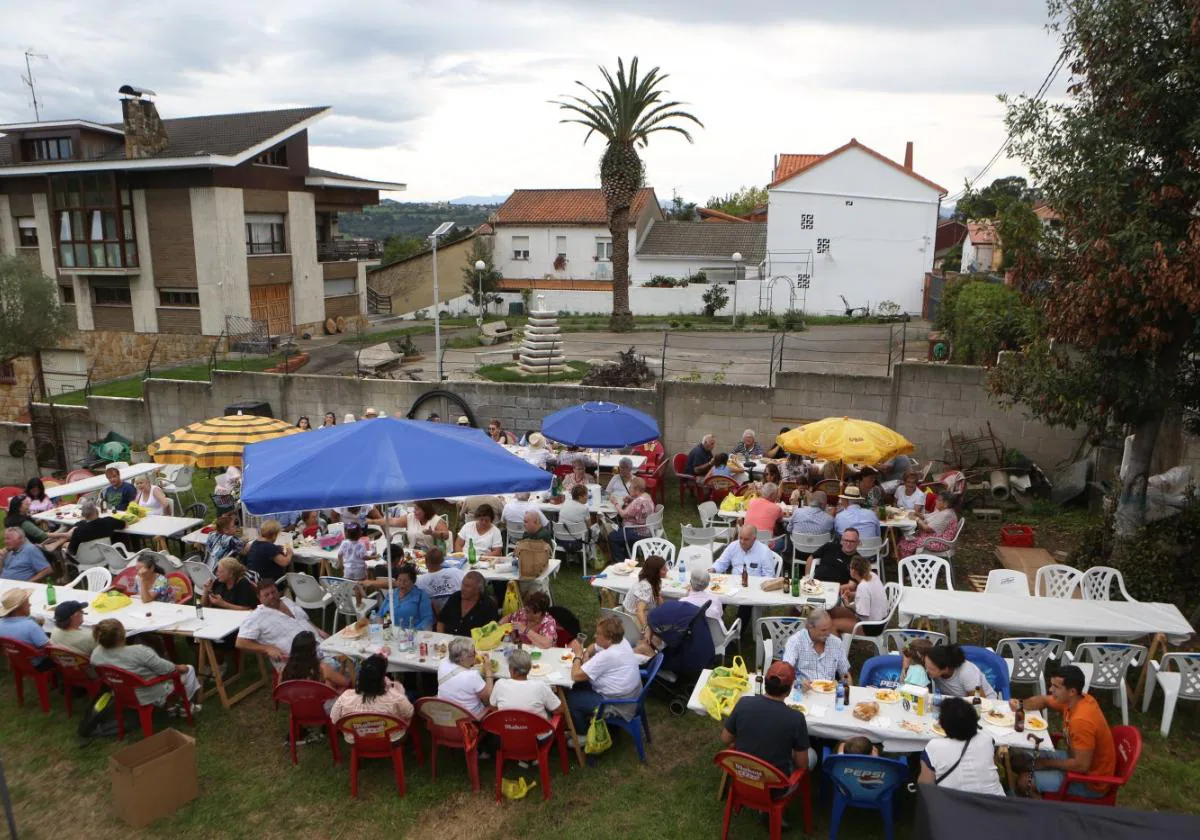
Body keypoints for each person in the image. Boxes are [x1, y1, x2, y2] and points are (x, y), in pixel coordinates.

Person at [1009, 665, 1116, 799]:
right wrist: (1020, 704)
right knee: (1018, 761)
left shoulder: (1081, 720)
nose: (1050, 690)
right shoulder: (1075, 699)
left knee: (1024, 781)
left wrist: (1045, 764)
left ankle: (1046, 811)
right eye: (1051, 685)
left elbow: (1081, 765)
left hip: (1091, 781)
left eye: (1056, 687)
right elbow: (1043, 700)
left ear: (1071, 691)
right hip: (1073, 758)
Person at [721, 660, 812, 783]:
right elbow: (802, 765)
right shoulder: (796, 718)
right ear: (789, 690)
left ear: (765, 683)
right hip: (775, 788)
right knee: (812, 755)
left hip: (742, 777)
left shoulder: (743, 703)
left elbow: (725, 738)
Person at [91, 618, 201, 712]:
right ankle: (184, 707)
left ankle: (171, 704)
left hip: (119, 692)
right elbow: (167, 669)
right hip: (146, 692)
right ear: (122, 635)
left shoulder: (96, 655)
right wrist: (180, 667)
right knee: (188, 669)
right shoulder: (139, 651)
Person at [567, 616, 642, 736]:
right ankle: (582, 722)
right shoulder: (622, 641)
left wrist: (578, 654)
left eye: (598, 634)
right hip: (630, 696)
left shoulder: (608, 655)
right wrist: (586, 654)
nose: (594, 636)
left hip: (618, 704)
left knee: (571, 700)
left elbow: (575, 675)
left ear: (610, 639)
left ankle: (583, 736)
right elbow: (593, 646)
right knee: (577, 687)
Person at [918, 697, 1005, 795]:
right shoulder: (987, 739)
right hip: (998, 805)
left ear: (943, 724)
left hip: (955, 807)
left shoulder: (933, 747)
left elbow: (925, 788)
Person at [236, 578, 326, 668]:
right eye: (266, 595)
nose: (271, 596)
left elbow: (304, 619)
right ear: (259, 598)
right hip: (299, 659)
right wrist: (267, 648)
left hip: (320, 644)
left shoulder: (286, 600)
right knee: (330, 669)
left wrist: (317, 629)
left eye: (273, 592)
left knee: (339, 653)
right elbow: (240, 643)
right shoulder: (255, 617)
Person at [331, 654, 414, 740]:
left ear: (361, 677)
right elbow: (409, 713)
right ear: (383, 678)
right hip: (391, 739)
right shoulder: (395, 696)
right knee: (409, 699)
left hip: (357, 740)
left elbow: (334, 719)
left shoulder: (346, 697)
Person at [781, 609, 852, 688]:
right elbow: (785, 670)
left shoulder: (836, 642)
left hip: (828, 692)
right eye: (823, 630)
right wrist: (798, 682)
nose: (828, 633)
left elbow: (845, 673)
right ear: (810, 627)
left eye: (830, 629)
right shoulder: (795, 641)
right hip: (803, 692)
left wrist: (847, 689)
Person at [491, 648, 562, 720]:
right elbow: (558, 710)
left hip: (507, 728)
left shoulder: (499, 684)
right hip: (537, 730)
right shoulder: (540, 686)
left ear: (512, 670)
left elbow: (493, 707)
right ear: (529, 669)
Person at [829, 555, 888, 634]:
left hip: (871, 626)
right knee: (832, 611)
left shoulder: (863, 587)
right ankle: (842, 640)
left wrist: (848, 605)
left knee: (831, 624)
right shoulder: (873, 575)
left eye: (850, 567)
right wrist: (853, 594)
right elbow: (869, 595)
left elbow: (862, 614)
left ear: (854, 571)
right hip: (880, 619)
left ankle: (838, 645)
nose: (849, 570)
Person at [438, 636, 493, 718]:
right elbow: (488, 696)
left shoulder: (443, 662)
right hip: (467, 719)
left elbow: (460, 666)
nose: (475, 655)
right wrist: (488, 670)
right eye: (473, 654)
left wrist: (473, 659)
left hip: (445, 715)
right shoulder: (472, 676)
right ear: (462, 659)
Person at [280, 629, 351, 689]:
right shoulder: (322, 669)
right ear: (313, 650)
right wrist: (344, 664)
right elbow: (347, 683)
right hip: (323, 703)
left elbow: (282, 691)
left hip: (299, 703)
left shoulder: (285, 670)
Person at [436, 570, 499, 636]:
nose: (463, 588)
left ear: (477, 590)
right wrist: (441, 638)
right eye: (463, 584)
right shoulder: (455, 597)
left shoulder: (488, 605)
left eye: (467, 586)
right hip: (448, 640)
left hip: (474, 643)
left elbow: (491, 633)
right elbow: (441, 621)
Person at [897, 492, 959, 558]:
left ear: (946, 504)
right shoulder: (942, 511)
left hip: (939, 543)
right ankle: (905, 558)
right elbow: (926, 516)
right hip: (934, 537)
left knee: (907, 542)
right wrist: (916, 513)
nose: (936, 501)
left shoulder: (946, 514)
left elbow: (927, 529)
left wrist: (917, 519)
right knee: (907, 537)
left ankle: (907, 564)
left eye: (938, 500)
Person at [607, 477, 654, 563]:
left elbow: (623, 514)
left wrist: (615, 503)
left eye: (630, 487)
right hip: (646, 528)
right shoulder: (647, 496)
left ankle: (620, 561)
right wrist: (631, 499)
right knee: (618, 532)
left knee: (612, 537)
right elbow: (638, 507)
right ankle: (629, 555)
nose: (629, 489)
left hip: (637, 531)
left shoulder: (638, 502)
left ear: (636, 490)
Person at [0, 588, 50, 668]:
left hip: (17, 660)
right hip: (37, 663)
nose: (30, 605)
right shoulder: (30, 626)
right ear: (20, 608)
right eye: (27, 603)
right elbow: (49, 648)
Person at [924, 644, 997, 699]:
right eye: (926, 665)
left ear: (945, 669)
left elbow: (979, 701)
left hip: (986, 705)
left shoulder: (967, 672)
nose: (927, 670)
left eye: (931, 669)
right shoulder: (937, 670)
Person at [375, 563, 434, 630]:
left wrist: (412, 632)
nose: (402, 584)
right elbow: (381, 614)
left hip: (411, 635)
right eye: (399, 580)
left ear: (413, 581)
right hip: (389, 633)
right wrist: (385, 628)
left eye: (405, 581)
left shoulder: (421, 596)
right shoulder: (392, 593)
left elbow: (427, 620)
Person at [5, 495, 71, 554]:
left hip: (21, 547)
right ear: (19, 508)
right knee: (65, 528)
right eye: (26, 505)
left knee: (64, 529)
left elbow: (31, 528)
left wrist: (40, 520)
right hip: (37, 545)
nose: (28, 507)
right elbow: (42, 535)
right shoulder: (23, 522)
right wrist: (65, 534)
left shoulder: (10, 519)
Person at [621, 554, 666, 633]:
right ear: (655, 572)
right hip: (634, 618)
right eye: (663, 569)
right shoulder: (646, 587)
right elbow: (639, 611)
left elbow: (658, 596)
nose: (667, 570)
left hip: (644, 612)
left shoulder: (654, 580)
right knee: (658, 635)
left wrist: (665, 611)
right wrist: (646, 629)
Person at [712, 524, 777, 576]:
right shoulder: (733, 546)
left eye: (746, 539)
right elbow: (721, 563)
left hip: (754, 586)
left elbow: (769, 575)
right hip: (735, 583)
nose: (742, 542)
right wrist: (713, 569)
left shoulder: (764, 551)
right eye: (740, 538)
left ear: (754, 539)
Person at [558, 484, 598, 550]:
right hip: (577, 543)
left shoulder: (565, 503)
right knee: (595, 529)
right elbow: (589, 527)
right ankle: (592, 553)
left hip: (561, 540)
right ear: (580, 497)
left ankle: (572, 556)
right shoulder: (584, 509)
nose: (588, 497)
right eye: (586, 495)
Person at [744, 482, 785, 547]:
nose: (778, 496)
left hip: (748, 542)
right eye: (777, 494)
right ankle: (774, 556)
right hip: (765, 544)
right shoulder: (777, 508)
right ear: (772, 495)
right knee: (782, 541)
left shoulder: (752, 501)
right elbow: (780, 520)